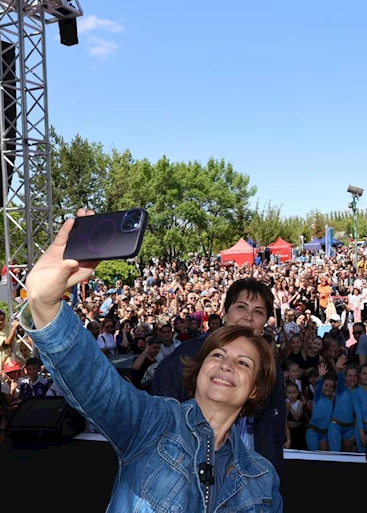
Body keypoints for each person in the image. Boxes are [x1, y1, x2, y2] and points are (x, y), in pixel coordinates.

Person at [20, 209, 282, 512]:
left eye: (243, 363)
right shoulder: (151, 423)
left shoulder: (263, 479)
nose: (227, 365)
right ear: (196, 370)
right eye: (218, 355)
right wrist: (44, 301)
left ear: (255, 389)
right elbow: (95, 384)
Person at [151, 278, 286, 473]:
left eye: (258, 312)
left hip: (249, 482)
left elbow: (274, 434)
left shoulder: (271, 371)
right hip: (187, 472)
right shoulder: (187, 356)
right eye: (241, 307)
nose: (248, 317)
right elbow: (162, 414)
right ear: (225, 312)